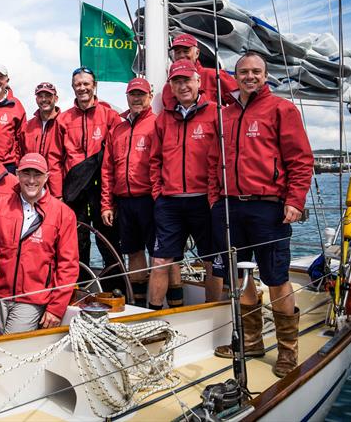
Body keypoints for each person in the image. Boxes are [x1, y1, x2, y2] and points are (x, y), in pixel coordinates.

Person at [208, 51, 313, 378]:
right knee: (239, 277)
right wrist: (215, 198)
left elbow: (300, 159)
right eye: (243, 72)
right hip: (230, 206)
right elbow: (214, 162)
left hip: (268, 207)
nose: (249, 76)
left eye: (256, 71)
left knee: (276, 278)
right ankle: (251, 341)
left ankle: (287, 350)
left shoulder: (281, 109)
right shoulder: (225, 115)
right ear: (235, 76)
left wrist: (294, 200)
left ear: (265, 75)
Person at [0, 153, 79, 334]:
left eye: (37, 175)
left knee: (9, 349)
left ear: (47, 177)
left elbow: (68, 266)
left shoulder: (63, 214)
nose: (31, 180)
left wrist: (55, 308)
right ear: (17, 174)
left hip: (31, 300)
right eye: (26, 174)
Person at [150, 60, 223, 310]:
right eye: (176, 81)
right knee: (160, 260)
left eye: (187, 80)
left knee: (212, 260)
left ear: (198, 82)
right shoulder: (163, 119)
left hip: (205, 200)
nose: (182, 86)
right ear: (170, 85)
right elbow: (155, 159)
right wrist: (158, 193)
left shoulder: (216, 113)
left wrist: (215, 196)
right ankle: (152, 315)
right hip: (169, 202)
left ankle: (211, 313)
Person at [48, 67, 120, 269]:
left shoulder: (109, 116)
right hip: (74, 189)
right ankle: (80, 288)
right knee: (76, 242)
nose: (82, 88)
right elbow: (54, 159)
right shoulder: (63, 120)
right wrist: (58, 194)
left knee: (108, 240)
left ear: (94, 85)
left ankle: (114, 287)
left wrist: (110, 198)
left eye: (86, 84)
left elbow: (115, 156)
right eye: (78, 84)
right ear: (72, 87)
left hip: (101, 188)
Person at [100, 78, 157, 305]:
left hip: (150, 200)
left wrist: (159, 198)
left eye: (141, 94)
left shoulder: (157, 124)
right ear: (127, 97)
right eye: (133, 94)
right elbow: (107, 169)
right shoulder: (118, 129)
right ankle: (139, 304)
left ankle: (172, 306)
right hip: (124, 201)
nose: (137, 98)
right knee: (134, 252)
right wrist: (106, 203)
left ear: (150, 97)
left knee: (160, 255)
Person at [161, 33, 236, 107]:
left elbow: (241, 102)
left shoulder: (215, 75)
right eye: (178, 52)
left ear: (197, 53)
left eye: (186, 51)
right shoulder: (168, 87)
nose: (181, 55)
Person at [19, 81, 61, 195]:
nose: (44, 99)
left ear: (56, 98)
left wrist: (60, 191)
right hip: (31, 186)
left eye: (48, 96)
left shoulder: (64, 123)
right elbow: (20, 155)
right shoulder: (27, 126)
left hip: (57, 188)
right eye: (40, 96)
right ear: (36, 99)